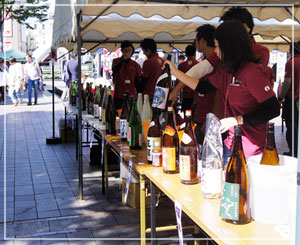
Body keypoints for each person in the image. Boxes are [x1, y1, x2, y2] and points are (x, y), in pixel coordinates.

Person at [165, 20, 280, 164]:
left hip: (251, 150)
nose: (215, 51)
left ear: (230, 46)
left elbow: (273, 109)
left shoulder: (251, 73)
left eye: (218, 46)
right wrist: (175, 72)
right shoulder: (226, 71)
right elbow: (203, 87)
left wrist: (237, 120)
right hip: (229, 144)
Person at [278, 41, 300, 157]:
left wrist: (280, 97)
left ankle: (293, 151)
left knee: (292, 127)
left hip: (292, 99)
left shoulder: (291, 63)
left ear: (292, 50)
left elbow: (287, 82)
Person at [112, 41, 141, 110]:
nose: (128, 52)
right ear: (122, 51)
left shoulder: (135, 65)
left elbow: (138, 80)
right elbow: (114, 69)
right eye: (126, 50)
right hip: (119, 94)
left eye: (130, 50)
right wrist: (123, 60)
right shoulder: (116, 61)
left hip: (131, 94)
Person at [175, 45, 198, 111]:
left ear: (185, 53)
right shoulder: (198, 64)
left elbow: (178, 80)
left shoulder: (181, 65)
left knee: (186, 113)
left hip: (185, 94)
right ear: (194, 53)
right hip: (195, 94)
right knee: (194, 114)